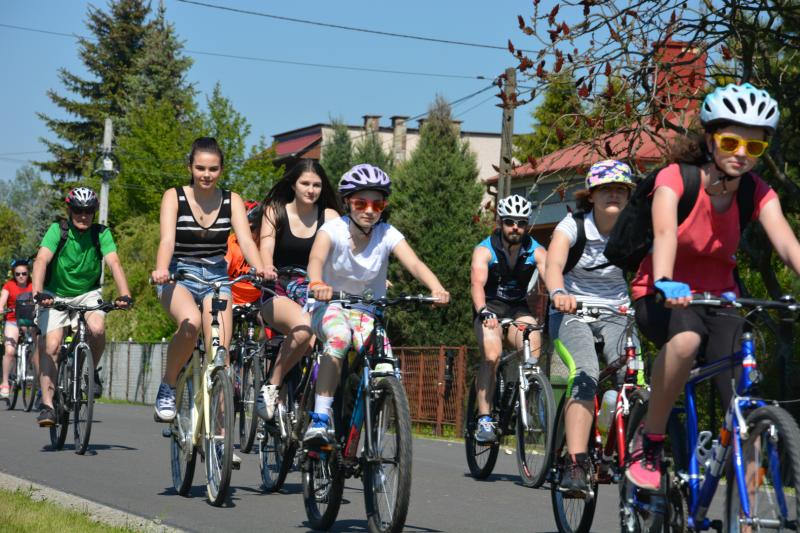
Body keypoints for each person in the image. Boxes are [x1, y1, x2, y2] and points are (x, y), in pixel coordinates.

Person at [626, 83, 800, 491]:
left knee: (743, 386)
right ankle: (651, 440)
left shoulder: (757, 191)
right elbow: (665, 234)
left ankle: (749, 502)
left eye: (754, 147)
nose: (742, 153)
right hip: (661, 294)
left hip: (720, 299)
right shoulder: (675, 179)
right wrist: (666, 281)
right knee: (685, 340)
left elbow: (788, 245)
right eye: (731, 142)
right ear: (710, 139)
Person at [304, 163, 450, 448]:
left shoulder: (387, 233)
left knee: (385, 365)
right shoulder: (332, 230)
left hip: (365, 311)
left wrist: (436, 287)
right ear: (347, 202)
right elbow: (315, 260)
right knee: (339, 338)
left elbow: (414, 263)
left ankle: (370, 430)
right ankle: (319, 419)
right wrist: (317, 283)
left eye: (378, 204)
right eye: (361, 203)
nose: (369, 210)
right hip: (330, 305)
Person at [151, 137, 266, 425]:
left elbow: (246, 241)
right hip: (179, 274)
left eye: (213, 169)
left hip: (216, 277)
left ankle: (220, 434)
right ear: (190, 167)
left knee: (221, 355)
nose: (206, 174)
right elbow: (167, 240)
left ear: (221, 170)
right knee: (190, 323)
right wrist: (161, 268)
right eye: (200, 168)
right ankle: (168, 385)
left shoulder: (231, 200)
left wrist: (261, 268)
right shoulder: (174, 196)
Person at [544, 160, 637, 494]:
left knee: (634, 378)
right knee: (585, 374)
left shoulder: (635, 228)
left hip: (617, 313)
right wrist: (558, 293)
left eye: (621, 189)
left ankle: (631, 455)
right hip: (573, 312)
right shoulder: (573, 225)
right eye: (606, 189)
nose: (614, 194)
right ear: (592, 195)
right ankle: (575, 463)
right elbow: (554, 264)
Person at [31, 187, 132, 426]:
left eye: (88, 211)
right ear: (70, 210)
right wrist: (38, 293)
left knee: (97, 328)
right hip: (54, 294)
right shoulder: (58, 230)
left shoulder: (101, 233)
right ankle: (47, 405)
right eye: (78, 210)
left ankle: (89, 372)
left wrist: (125, 294)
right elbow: (41, 260)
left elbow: (114, 263)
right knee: (52, 345)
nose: (83, 215)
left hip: (88, 293)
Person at [255, 160, 340, 423]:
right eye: (305, 183)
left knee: (327, 339)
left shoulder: (330, 217)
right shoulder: (275, 211)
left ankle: (304, 404)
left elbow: (346, 251)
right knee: (304, 329)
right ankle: (272, 385)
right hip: (277, 287)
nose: (311, 190)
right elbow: (266, 246)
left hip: (315, 289)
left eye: (317, 185)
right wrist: (266, 266)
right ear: (293, 184)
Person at [470, 194, 546, 444]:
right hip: (489, 307)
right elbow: (477, 284)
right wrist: (483, 310)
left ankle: (526, 399)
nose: (515, 227)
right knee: (491, 356)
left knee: (533, 347)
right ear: (500, 222)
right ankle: (484, 418)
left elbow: (551, 275)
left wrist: (560, 297)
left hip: (517, 309)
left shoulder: (536, 250)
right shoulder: (485, 250)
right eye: (510, 222)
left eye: (521, 223)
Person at [0, 259, 33, 399]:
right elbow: (2, 300)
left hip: (28, 321)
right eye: (17, 274)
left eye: (24, 273)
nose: (21, 276)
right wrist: (1, 307)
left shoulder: (33, 285)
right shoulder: (9, 285)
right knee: (9, 351)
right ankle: (5, 383)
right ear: (14, 274)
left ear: (28, 273)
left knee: (36, 347)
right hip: (12, 320)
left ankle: (34, 378)